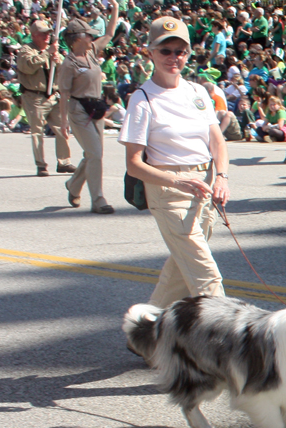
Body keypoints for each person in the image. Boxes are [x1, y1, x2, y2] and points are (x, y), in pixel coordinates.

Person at [119, 17, 230, 310]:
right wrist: (179, 182)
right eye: (165, 50)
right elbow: (133, 164)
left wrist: (222, 177)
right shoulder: (142, 99)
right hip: (169, 190)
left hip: (203, 186)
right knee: (207, 276)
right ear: (150, 53)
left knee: (181, 269)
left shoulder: (197, 92)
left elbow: (217, 140)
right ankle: (226, 347)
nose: (174, 57)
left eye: (180, 51)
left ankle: (147, 328)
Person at [58, 1, 119, 214]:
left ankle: (73, 185)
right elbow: (64, 93)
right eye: (87, 35)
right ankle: (98, 199)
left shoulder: (92, 51)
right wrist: (64, 122)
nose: (92, 37)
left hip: (96, 108)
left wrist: (115, 9)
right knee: (95, 153)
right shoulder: (68, 63)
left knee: (93, 153)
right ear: (76, 39)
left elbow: (110, 32)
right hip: (78, 109)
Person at [16, 20, 75, 177]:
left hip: (54, 95)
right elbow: (27, 66)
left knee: (62, 128)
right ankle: (41, 164)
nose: (47, 36)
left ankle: (64, 162)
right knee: (37, 132)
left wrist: (59, 61)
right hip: (35, 96)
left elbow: (65, 70)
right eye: (43, 33)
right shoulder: (26, 50)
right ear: (34, 35)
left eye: (49, 33)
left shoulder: (53, 50)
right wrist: (46, 54)